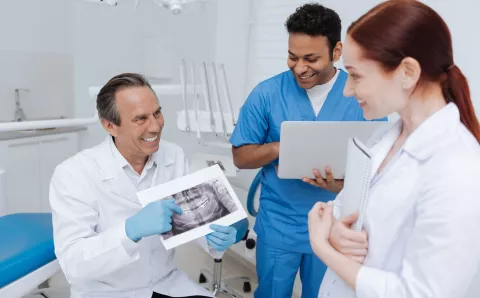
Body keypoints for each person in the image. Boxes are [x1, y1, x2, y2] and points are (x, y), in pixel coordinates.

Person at [307, 1, 480, 298]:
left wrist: (323, 248)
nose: (347, 90)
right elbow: (347, 209)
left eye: (356, 75)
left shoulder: (459, 169)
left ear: (407, 72)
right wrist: (336, 230)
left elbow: (422, 293)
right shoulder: (385, 137)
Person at [230, 3, 386, 298]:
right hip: (280, 224)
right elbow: (241, 155)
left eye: (311, 58)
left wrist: (339, 185)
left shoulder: (361, 96)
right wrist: (280, 146)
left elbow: (381, 169)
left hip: (336, 227)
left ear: (337, 52)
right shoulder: (267, 93)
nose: (300, 68)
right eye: (292, 57)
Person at [49, 73, 249, 298]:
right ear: (110, 126)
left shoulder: (173, 155)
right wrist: (130, 230)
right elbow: (74, 264)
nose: (155, 127)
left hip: (165, 283)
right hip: (107, 292)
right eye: (140, 119)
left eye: (157, 113)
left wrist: (216, 237)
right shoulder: (74, 174)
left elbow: (191, 221)